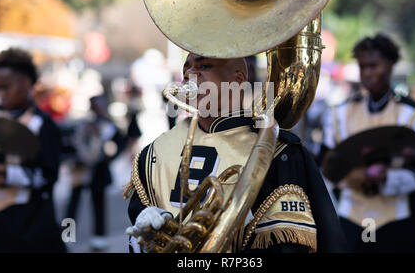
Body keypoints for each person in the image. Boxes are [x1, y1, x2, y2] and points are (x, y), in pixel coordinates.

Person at [124, 52, 347, 253]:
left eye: (204, 66)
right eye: (186, 68)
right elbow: (138, 230)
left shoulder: (278, 150)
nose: (190, 73)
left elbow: (288, 247)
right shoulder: (154, 152)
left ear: (238, 79)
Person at [320, 34, 415, 252]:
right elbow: (326, 162)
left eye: (374, 65)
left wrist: (387, 178)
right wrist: (350, 177)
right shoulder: (339, 113)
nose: (367, 73)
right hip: (351, 217)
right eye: (362, 66)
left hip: (398, 220)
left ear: (391, 65)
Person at [0, 48, 66, 253]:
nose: (0, 94)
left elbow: (48, 176)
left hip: (30, 226)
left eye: (6, 87)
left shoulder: (43, 125)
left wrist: (5, 172)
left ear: (27, 82)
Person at [66, 94, 126, 252]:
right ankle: (67, 236)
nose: (98, 107)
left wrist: (110, 157)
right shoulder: (83, 124)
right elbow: (71, 144)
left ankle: (99, 237)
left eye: (100, 104)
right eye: (95, 104)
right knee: (73, 204)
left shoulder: (109, 125)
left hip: (99, 171)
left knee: (98, 204)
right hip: (80, 169)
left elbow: (120, 144)